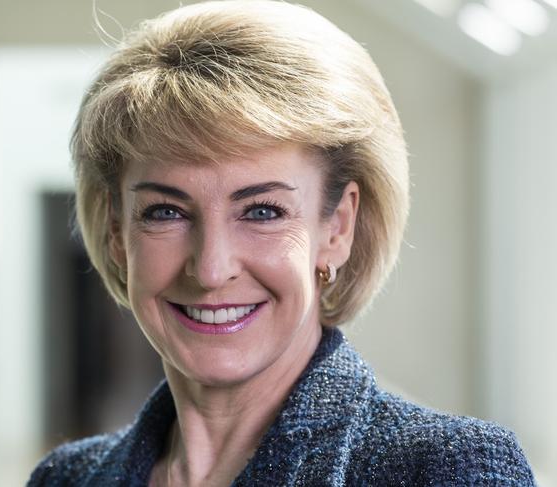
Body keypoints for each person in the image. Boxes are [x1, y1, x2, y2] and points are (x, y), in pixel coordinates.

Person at [27, 1, 536, 485]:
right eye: (166, 212)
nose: (210, 269)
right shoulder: (65, 478)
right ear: (117, 231)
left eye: (262, 212)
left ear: (336, 228)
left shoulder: (445, 471)